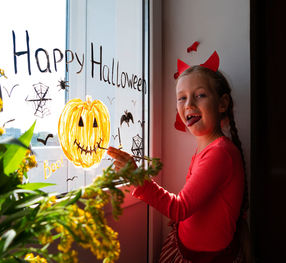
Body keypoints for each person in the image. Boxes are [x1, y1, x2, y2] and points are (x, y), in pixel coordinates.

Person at [107, 51, 250, 263]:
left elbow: (179, 208)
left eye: (200, 95)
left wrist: (137, 176)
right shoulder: (208, 149)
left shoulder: (220, 153)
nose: (189, 104)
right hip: (186, 248)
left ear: (222, 103)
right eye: (182, 98)